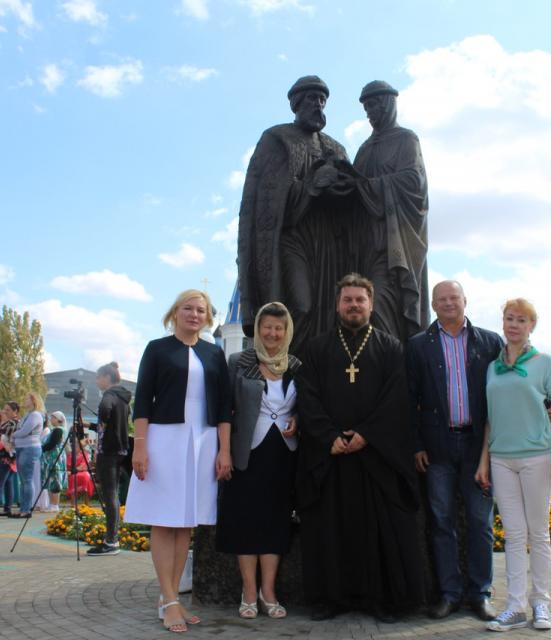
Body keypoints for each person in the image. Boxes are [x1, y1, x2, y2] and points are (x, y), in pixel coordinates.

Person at [297, 273, 424, 623]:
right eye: (348, 300)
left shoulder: (390, 347)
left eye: (360, 300)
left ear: (371, 303)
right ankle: (329, 599)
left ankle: (381, 599)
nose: (354, 305)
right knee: (329, 530)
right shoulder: (317, 348)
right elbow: (307, 397)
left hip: (374, 456)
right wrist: (329, 437)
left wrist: (366, 434)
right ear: (337, 305)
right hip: (332, 456)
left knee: (379, 533)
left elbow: (397, 398)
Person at [125, 289, 232, 632]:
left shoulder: (214, 353)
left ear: (208, 317)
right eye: (188, 308)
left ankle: (169, 598)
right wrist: (140, 447)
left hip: (202, 441)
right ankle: (170, 599)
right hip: (164, 440)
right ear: (175, 312)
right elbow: (142, 401)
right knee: (163, 519)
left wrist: (224, 449)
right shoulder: (157, 349)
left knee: (186, 521)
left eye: (201, 310)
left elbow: (224, 408)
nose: (195, 314)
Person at [237, 76, 356, 356]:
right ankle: (290, 369)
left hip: (328, 241)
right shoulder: (278, 139)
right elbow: (269, 199)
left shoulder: (335, 147)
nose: (318, 105)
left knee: (330, 310)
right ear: (296, 104)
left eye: (322, 100)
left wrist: (342, 185)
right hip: (292, 238)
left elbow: (353, 197)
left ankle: (322, 372)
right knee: (301, 306)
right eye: (312, 99)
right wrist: (313, 184)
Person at [405, 280, 501, 620]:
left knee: (480, 521)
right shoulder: (418, 346)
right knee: (441, 521)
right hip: (437, 449)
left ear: (465, 300)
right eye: (441, 299)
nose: (448, 303)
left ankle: (481, 594)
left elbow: (502, 394)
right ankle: (448, 592)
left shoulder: (490, 342)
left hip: (478, 448)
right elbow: (409, 399)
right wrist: (416, 444)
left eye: (454, 297)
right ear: (433, 305)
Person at [476, 298, 551, 632]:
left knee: (538, 532)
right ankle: (514, 606)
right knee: (513, 535)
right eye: (509, 319)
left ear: (531, 326)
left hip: (536, 456)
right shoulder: (493, 367)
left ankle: (540, 603)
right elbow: (489, 417)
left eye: (521, 320)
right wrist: (484, 461)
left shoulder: (545, 363)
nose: (513, 325)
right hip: (502, 457)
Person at [216, 302, 300, 619]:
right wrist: (223, 451)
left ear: (286, 331)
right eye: (267, 327)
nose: (272, 333)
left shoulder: (295, 365)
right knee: (246, 522)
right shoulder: (240, 362)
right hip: (247, 453)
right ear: (258, 330)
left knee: (276, 523)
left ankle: (269, 591)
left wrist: (301, 420)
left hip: (283, 452)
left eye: (279, 328)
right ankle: (249, 591)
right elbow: (224, 409)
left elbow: (306, 402)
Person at [345, 80, 429, 341]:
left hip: (393, 245)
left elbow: (413, 182)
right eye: (367, 107)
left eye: (375, 104)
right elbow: (353, 190)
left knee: (379, 305)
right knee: (358, 310)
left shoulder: (406, 139)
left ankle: (390, 369)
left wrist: (366, 185)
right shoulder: (364, 149)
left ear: (390, 103)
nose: (371, 112)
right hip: (365, 243)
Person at [86, 362, 133, 556]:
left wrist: (100, 421)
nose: (97, 381)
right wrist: (94, 425)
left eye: (98, 377)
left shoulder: (109, 396)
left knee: (110, 494)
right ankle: (112, 538)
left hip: (109, 450)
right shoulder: (124, 398)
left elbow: (105, 411)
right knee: (113, 493)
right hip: (122, 448)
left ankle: (111, 541)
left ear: (106, 377)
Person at [11, 392, 44, 518]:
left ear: (33, 400)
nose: (24, 401)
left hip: (29, 448)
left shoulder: (35, 415)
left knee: (27, 479)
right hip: (21, 447)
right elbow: (20, 430)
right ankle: (23, 508)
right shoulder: (27, 414)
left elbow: (24, 431)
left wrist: (13, 434)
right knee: (23, 480)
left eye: (27, 399)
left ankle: (26, 509)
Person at [39, 410, 67, 513]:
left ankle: (54, 505)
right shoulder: (54, 430)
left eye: (53, 418)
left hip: (55, 458)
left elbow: (52, 444)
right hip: (51, 458)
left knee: (55, 480)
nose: (51, 420)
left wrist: (41, 448)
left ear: (59, 419)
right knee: (51, 480)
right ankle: (52, 504)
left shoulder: (58, 430)